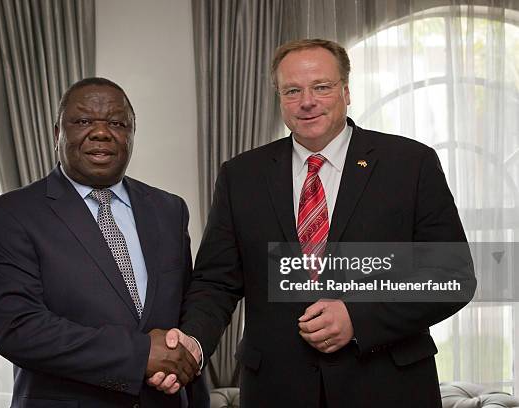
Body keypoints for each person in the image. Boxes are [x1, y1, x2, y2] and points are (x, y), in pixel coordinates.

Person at [149, 39, 476, 407]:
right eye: (293, 90)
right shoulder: (241, 175)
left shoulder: (410, 164)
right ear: (280, 97)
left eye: (322, 86)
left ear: (346, 91)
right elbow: (215, 281)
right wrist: (192, 344)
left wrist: (358, 316)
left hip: (388, 386)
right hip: (277, 389)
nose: (307, 101)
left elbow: (452, 276)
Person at [0, 77, 207, 408]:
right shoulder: (11, 215)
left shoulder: (169, 209)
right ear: (57, 132)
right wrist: (140, 355)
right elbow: (18, 329)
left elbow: (187, 308)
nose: (101, 132)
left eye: (117, 123)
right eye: (84, 121)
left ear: (131, 135)